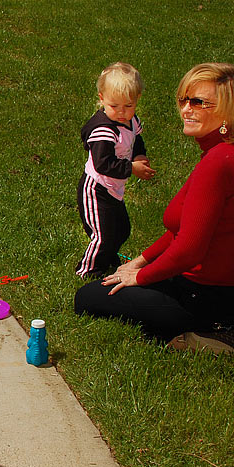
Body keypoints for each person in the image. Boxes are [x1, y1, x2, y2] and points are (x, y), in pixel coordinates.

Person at [75, 62, 234, 354]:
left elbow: (189, 250)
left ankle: (209, 333)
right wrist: (140, 261)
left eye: (199, 102)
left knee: (88, 297)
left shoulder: (218, 162)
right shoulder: (220, 154)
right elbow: (183, 229)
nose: (186, 109)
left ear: (227, 112)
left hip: (204, 295)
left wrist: (140, 277)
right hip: (211, 287)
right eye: (184, 100)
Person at [76, 62, 156, 279]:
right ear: (101, 99)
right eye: (115, 106)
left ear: (137, 99)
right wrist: (132, 168)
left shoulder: (131, 121)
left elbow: (137, 139)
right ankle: (87, 271)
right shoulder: (102, 129)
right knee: (102, 235)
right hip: (96, 189)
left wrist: (139, 155)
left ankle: (108, 256)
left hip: (113, 189)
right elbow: (104, 164)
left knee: (121, 229)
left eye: (128, 106)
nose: (122, 112)